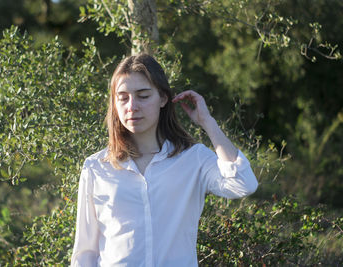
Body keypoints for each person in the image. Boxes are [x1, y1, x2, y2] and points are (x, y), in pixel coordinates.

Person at [71, 54, 258, 267]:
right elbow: (85, 252)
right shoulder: (96, 167)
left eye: (143, 96)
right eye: (123, 97)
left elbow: (244, 183)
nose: (132, 106)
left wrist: (207, 122)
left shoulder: (193, 158)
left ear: (163, 98)